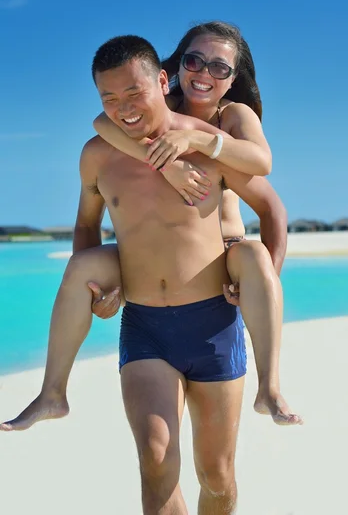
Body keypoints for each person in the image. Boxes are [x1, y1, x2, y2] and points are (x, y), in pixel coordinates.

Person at [5, 36, 294, 514]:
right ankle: (52, 392)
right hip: (144, 327)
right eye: (110, 98)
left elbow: (269, 203)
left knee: (217, 477)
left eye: (134, 94)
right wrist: (104, 288)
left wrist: (263, 285)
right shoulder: (98, 152)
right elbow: (85, 224)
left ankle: (271, 384)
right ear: (176, 68)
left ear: (162, 82)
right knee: (156, 461)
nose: (124, 108)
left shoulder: (213, 139)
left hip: (213, 321)